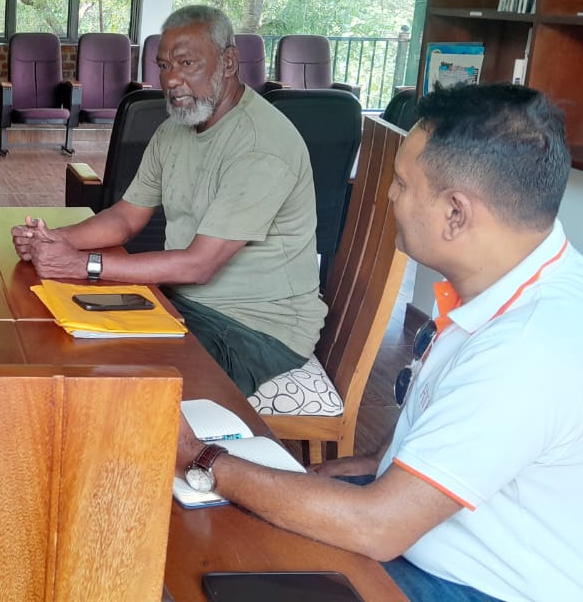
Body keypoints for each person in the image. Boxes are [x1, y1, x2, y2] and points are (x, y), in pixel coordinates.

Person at [176, 83, 583, 601]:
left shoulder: (528, 349)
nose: (389, 196)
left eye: (401, 183)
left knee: (207, 558)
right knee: (220, 530)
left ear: (456, 213)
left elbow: (378, 528)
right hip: (424, 535)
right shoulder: (515, 286)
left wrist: (198, 455)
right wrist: (378, 462)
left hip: (469, 584)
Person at [12, 5, 325, 395]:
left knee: (125, 391)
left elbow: (198, 266)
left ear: (228, 62)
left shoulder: (259, 145)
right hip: (182, 303)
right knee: (65, 347)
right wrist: (54, 240)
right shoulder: (175, 129)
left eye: (187, 63)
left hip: (254, 329)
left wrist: (82, 264)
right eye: (163, 66)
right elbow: (126, 217)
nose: (172, 79)